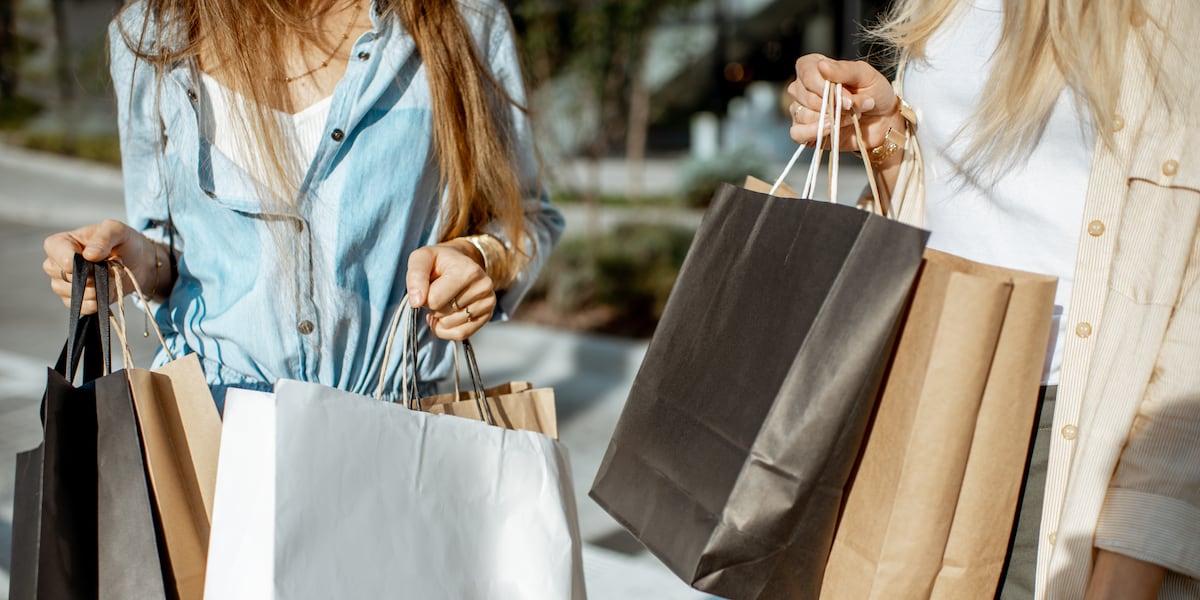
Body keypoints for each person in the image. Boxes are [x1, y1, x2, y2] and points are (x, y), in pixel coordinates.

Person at [788, 0, 1198, 598]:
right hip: (911, 394)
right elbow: (961, 202)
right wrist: (884, 140)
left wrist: (1129, 559)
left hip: (1061, 441)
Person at [41, 0, 562, 406]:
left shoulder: (458, 21)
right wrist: (134, 260)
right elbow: (168, 257)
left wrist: (479, 258)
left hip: (395, 435)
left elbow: (528, 216)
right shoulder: (152, 35)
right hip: (209, 435)